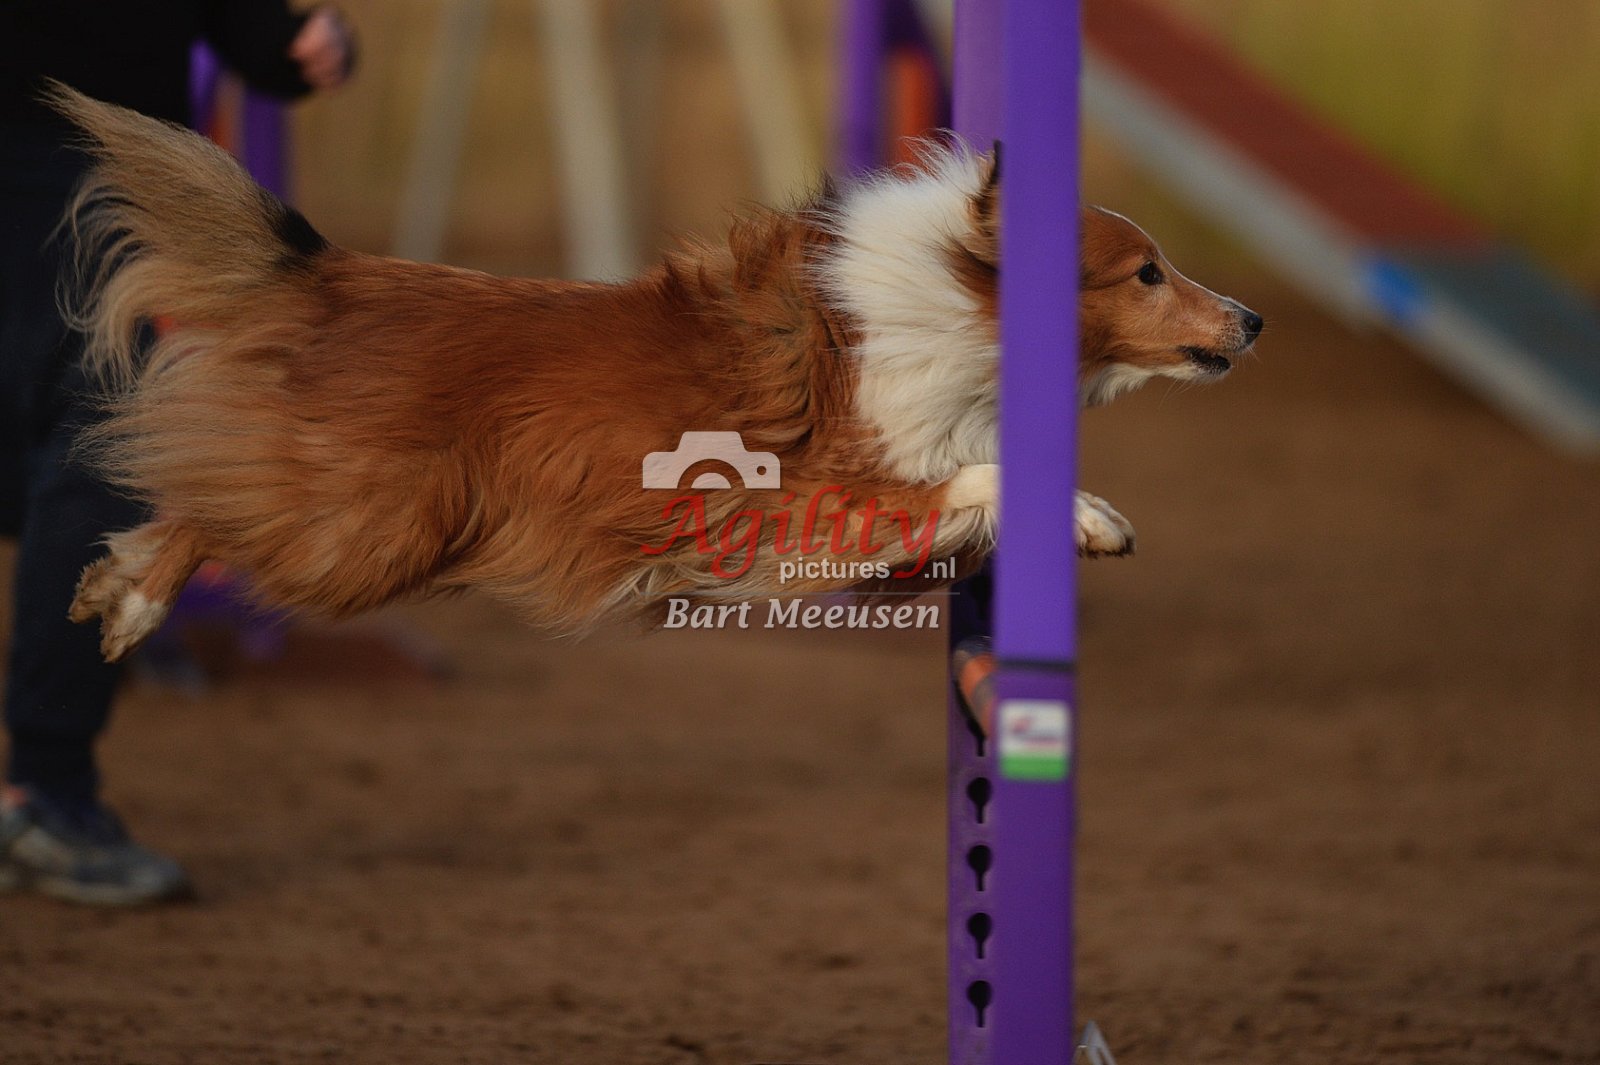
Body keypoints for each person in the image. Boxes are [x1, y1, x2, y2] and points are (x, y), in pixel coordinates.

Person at [0, 2, 354, 906]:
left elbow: (256, 38)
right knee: (103, 445)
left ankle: (46, 791)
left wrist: (294, 41)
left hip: (96, 159)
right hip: (71, 158)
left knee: (80, 450)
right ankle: (45, 794)